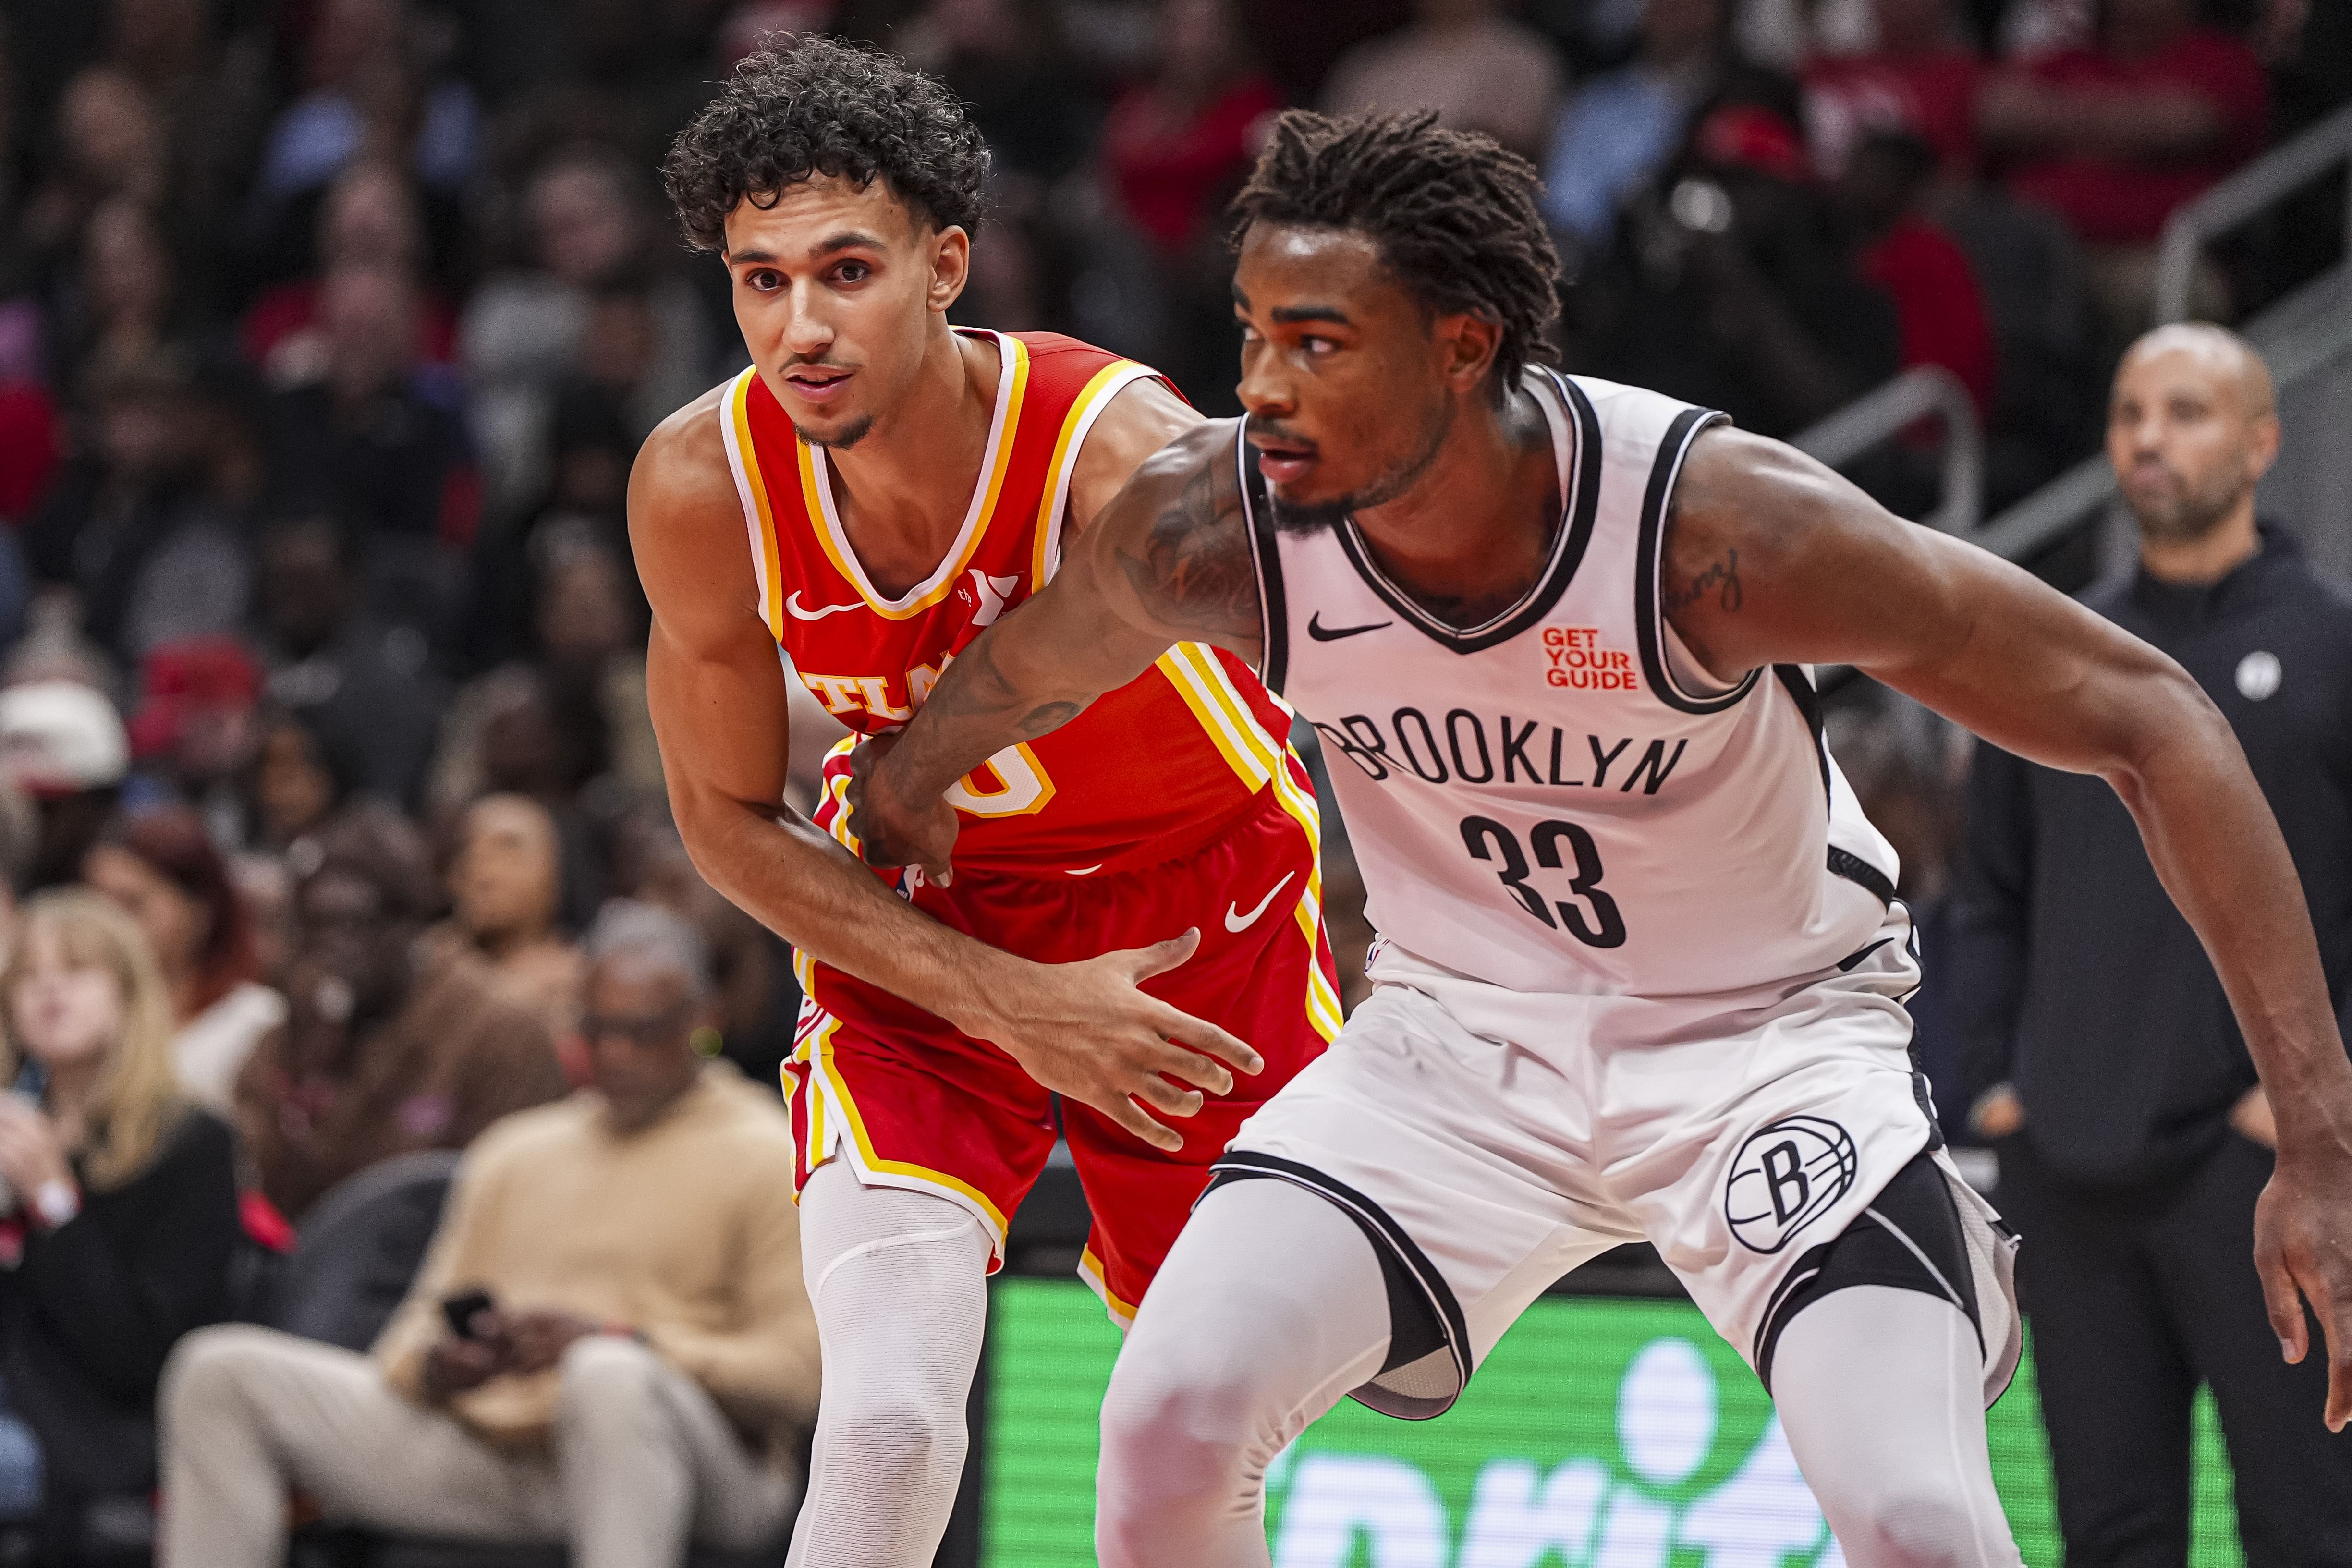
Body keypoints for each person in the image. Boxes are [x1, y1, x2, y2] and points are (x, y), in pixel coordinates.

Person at [851, 109, 2352, 1566]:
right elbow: (1040, 662)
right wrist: (912, 780)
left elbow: (2154, 718)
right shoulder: (1217, 525)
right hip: (1457, 1042)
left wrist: (2326, 1135)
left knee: (1921, 1525)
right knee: (1168, 1426)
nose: (1263, 389)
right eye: (1251, 333)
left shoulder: (1710, 531)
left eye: (1318, 343)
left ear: (1462, 346)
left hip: (1762, 1045)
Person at [635, 36, 1338, 1567]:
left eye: (845, 270)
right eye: (760, 280)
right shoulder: (704, 480)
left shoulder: (1114, 447)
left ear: (946, 261)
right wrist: (1012, 1002)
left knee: (1195, 1444)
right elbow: (723, 821)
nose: (799, 327)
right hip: (927, 943)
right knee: (885, 1421)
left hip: (1198, 926)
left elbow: (1352, 674)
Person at [1951, 325, 2352, 1562]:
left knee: (2307, 1522)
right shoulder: (2058, 654)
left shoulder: (2334, 643)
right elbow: (1986, 893)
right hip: (2066, 1175)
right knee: (2107, 1535)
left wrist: (2301, 1109)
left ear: (2258, 441)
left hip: (2262, 1170)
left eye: (2183, 411)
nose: (2147, 438)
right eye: (2129, 412)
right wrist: (1992, 1085)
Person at [160, 900, 814, 1568]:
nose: (615, 1052)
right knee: (216, 1372)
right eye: (596, 1029)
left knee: (608, 1379)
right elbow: (407, 1343)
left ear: (703, 1019)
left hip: (694, 1466)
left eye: (641, 1031)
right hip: (498, 1451)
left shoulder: (765, 1150)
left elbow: (800, 1377)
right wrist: (446, 1363)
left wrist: (628, 1342)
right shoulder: (517, 1152)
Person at [0, 888, 239, 1550]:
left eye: (75, 972)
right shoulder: (10, 1122)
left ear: (128, 994)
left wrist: (53, 1201)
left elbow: (138, 1355)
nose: (51, 992)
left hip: (88, 1427)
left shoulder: (191, 1143)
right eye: (30, 976)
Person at [232, 803, 568, 1221]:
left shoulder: (500, 1032)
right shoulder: (299, 1025)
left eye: (354, 924)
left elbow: (514, 1200)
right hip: (307, 1266)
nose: (336, 948)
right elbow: (251, 1172)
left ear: (409, 925)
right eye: (318, 927)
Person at [83, 804, 285, 1116]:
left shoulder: (254, 1024)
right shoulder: (81, 1017)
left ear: (201, 911)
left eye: (133, 904)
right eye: (98, 905)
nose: (111, 926)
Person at [427, 792, 585, 1044]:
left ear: (553, 873)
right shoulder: (430, 963)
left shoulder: (581, 981)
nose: (483, 872)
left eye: (509, 850)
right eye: (470, 852)